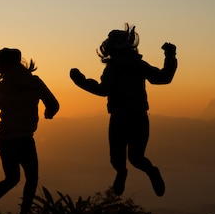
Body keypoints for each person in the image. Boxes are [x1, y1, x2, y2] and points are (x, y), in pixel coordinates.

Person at [69, 23, 177, 197]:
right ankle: (144, 171)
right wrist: (170, 56)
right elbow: (163, 78)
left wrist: (80, 81)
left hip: (121, 119)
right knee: (135, 157)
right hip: (137, 118)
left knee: (120, 157)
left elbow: (102, 90)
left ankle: (124, 172)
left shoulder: (115, 69)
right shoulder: (138, 65)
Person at [0, 48, 59, 214]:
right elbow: (53, 104)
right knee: (32, 178)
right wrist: (49, 112)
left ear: (3, 64)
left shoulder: (4, 86)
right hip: (26, 137)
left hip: (6, 138)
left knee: (12, 178)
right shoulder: (34, 82)